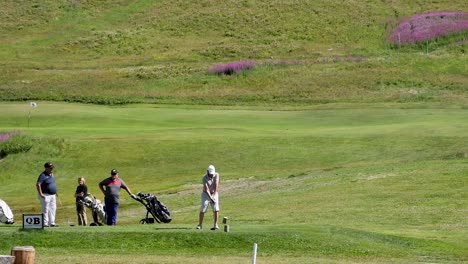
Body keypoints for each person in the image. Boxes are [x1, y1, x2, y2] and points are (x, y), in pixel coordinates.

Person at [197, 164, 220, 230]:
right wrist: (210, 197)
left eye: (212, 174)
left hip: (214, 193)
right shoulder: (204, 177)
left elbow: (216, 185)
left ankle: (216, 225)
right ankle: (200, 225)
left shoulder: (216, 175)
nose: (211, 175)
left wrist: (215, 195)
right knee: (203, 208)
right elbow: (206, 189)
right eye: (210, 174)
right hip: (205, 194)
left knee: (216, 208)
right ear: (207, 171)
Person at [36, 162, 58, 227]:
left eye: (52, 168)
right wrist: (41, 194)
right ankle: (45, 223)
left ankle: (52, 222)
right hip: (45, 195)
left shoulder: (52, 174)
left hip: (52, 195)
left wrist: (55, 191)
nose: (51, 169)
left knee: (53, 208)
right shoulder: (43, 175)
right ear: (46, 168)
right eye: (50, 168)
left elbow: (52, 183)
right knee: (45, 209)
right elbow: (38, 184)